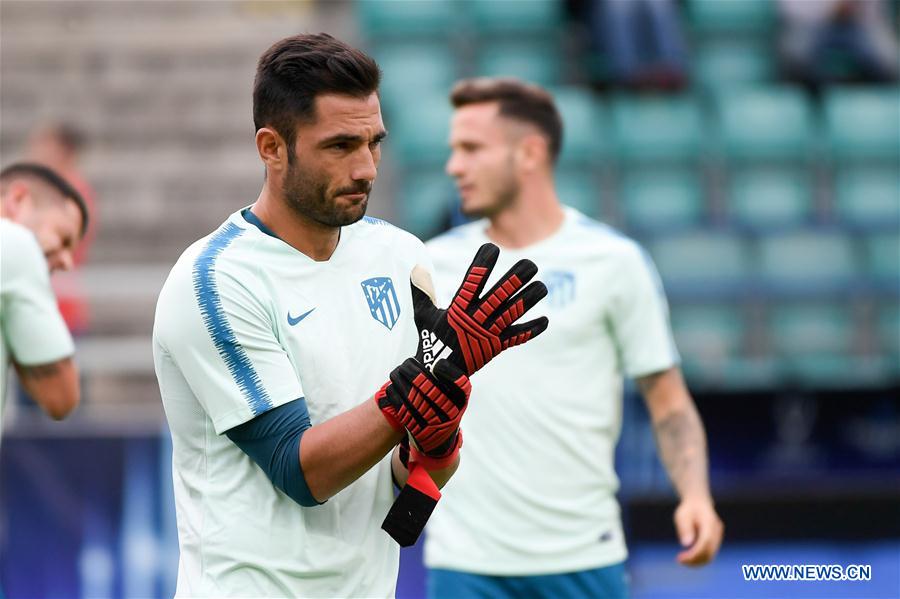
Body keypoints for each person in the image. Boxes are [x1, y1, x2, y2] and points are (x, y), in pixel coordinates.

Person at [152, 34, 547, 597]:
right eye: (340, 146)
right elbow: (300, 471)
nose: (366, 168)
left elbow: (411, 487)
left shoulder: (402, 256)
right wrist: (412, 392)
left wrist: (438, 442)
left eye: (374, 143)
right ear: (272, 147)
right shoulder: (216, 279)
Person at [424, 78, 724, 599]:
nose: (454, 166)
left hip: (585, 557)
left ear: (530, 153)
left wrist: (694, 495)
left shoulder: (614, 262)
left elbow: (668, 403)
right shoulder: (431, 264)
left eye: (471, 148)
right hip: (463, 563)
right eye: (453, 150)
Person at [0, 162, 89, 441]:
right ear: (17, 200)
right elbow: (61, 398)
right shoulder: (15, 242)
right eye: (63, 239)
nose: (65, 262)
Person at [25, 122, 98, 334]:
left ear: (64, 151)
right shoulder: (43, 190)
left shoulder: (72, 195)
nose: (35, 151)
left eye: (44, 145)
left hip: (57, 307)